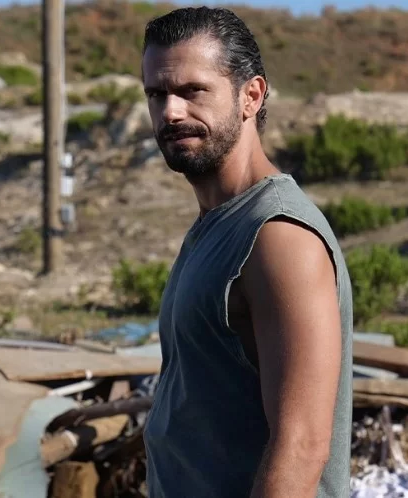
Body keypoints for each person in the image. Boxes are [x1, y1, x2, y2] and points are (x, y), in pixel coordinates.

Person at [140, 6, 353, 498]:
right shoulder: (217, 224)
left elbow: (302, 448)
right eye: (156, 94)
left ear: (250, 96)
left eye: (193, 91)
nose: (171, 112)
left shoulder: (278, 236)